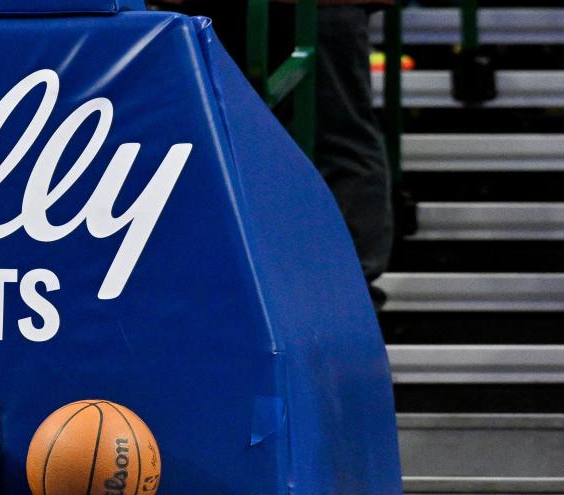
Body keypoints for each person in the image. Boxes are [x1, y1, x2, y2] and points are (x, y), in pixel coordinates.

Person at [151, 1, 394, 293]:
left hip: (318, 9)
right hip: (225, 12)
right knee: (212, 140)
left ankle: (351, 285)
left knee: (336, 133)